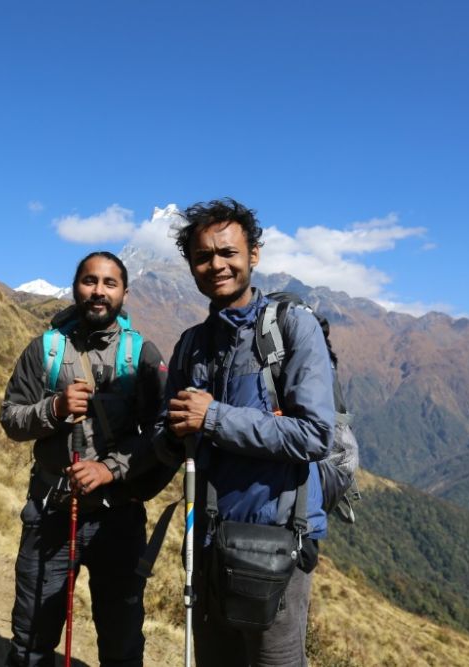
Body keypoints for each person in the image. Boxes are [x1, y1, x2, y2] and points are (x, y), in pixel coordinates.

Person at [154, 199, 335, 667]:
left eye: (228, 253)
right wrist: (169, 434)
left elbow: (315, 435)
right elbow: (168, 436)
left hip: (275, 544)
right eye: (202, 256)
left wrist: (212, 418)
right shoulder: (191, 344)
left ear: (253, 254)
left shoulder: (293, 327)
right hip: (208, 543)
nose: (216, 265)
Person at [0, 251, 172, 667]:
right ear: (76, 286)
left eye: (109, 284)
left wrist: (110, 470)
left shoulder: (141, 355)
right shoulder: (45, 349)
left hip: (119, 518)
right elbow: (11, 418)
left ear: (124, 293)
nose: (98, 291)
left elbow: (162, 434)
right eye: (89, 281)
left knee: (121, 638)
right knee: (32, 633)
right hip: (52, 511)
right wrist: (54, 409)